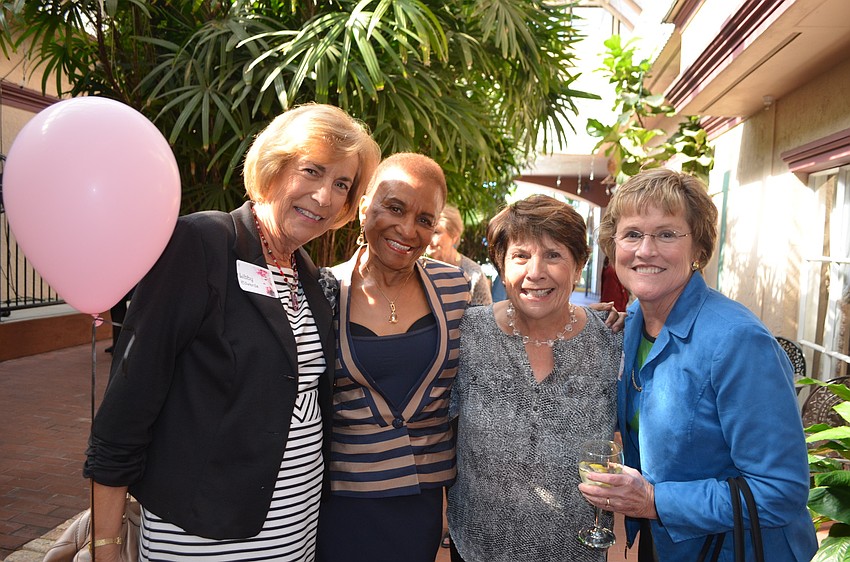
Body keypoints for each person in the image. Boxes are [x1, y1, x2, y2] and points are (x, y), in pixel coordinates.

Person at [83, 103, 381, 561]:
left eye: (341, 184)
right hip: (201, 536)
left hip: (294, 533)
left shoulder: (312, 280)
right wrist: (105, 543)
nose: (324, 196)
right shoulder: (201, 244)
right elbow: (129, 400)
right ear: (274, 167)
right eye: (312, 171)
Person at [581, 168, 817, 561]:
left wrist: (655, 500)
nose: (646, 250)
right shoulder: (636, 319)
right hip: (667, 546)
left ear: (699, 250)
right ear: (613, 245)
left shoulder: (739, 342)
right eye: (633, 234)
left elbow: (781, 491)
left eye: (667, 234)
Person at [447, 194, 623, 562]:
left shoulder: (612, 341)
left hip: (575, 550)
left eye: (554, 255)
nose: (536, 272)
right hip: (479, 546)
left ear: (579, 267)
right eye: (521, 256)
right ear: (501, 264)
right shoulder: (468, 334)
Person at [316, 153, 469, 562]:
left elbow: (508, 333)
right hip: (342, 503)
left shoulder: (455, 289)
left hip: (419, 503)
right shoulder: (323, 292)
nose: (407, 229)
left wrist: (581, 319)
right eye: (395, 208)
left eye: (424, 219)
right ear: (365, 205)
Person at [428, 204, 492, 306]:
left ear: (454, 237)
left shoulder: (474, 274)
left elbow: (484, 317)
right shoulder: (417, 266)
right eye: (428, 231)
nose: (429, 239)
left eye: (436, 232)